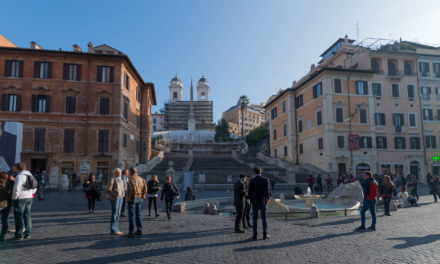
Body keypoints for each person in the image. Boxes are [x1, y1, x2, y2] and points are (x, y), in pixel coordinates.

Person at [10, 163, 37, 241]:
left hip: (20, 198)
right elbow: (35, 186)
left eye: (14, 167)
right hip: (29, 197)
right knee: (27, 215)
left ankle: (19, 235)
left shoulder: (19, 176)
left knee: (18, 216)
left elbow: (16, 189)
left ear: (18, 168)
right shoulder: (30, 174)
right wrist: (31, 195)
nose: (13, 168)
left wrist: (14, 198)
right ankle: (28, 234)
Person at [248, 167, 270, 241]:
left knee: (254, 219)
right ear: (261, 172)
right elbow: (267, 191)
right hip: (262, 201)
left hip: (254, 201)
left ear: (254, 172)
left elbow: (249, 192)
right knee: (264, 218)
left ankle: (255, 235)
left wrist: (251, 200)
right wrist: (268, 199)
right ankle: (265, 234)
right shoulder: (265, 180)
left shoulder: (252, 180)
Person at [125, 167, 147, 238]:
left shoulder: (130, 179)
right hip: (140, 198)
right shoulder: (141, 179)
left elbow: (129, 190)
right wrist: (143, 196)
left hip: (133, 198)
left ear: (131, 172)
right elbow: (145, 188)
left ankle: (131, 232)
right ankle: (139, 230)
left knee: (131, 216)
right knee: (138, 215)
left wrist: (129, 198)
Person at [105, 168, 125, 235]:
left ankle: (116, 228)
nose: (119, 173)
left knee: (118, 213)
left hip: (121, 198)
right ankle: (113, 229)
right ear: (115, 173)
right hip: (115, 198)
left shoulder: (120, 179)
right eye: (118, 172)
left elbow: (122, 188)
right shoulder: (112, 179)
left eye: (120, 172)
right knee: (115, 213)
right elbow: (108, 189)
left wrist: (123, 195)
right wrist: (115, 195)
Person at [0, 172, 13, 241]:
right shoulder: (10, 183)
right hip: (7, 203)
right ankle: (2, 236)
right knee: (4, 219)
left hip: (1, 203)